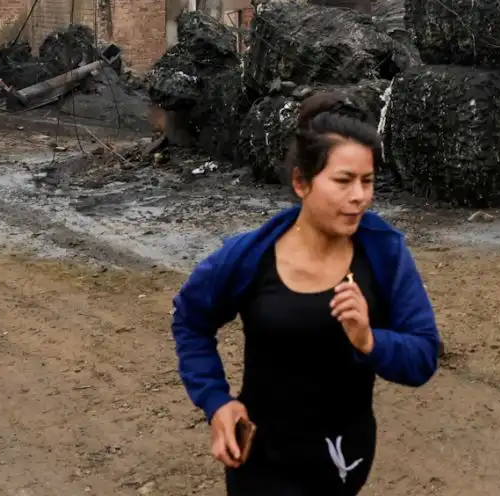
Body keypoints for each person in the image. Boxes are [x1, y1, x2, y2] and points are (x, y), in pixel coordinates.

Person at [173, 92, 441, 493]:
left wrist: (369, 340)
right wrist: (216, 401)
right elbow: (190, 319)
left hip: (344, 461)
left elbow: (422, 357)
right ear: (301, 182)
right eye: (343, 181)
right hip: (261, 464)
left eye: (367, 181)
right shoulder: (249, 257)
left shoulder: (384, 253)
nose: (359, 196)